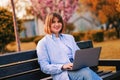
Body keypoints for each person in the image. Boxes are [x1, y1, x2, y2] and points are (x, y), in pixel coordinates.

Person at [36, 13, 102, 80]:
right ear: (48, 24)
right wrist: (62, 66)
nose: (57, 24)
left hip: (78, 69)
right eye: (53, 22)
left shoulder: (69, 38)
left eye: (59, 22)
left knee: (86, 72)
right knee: (86, 73)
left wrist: (85, 59)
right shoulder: (43, 43)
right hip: (64, 73)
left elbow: (79, 54)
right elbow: (44, 67)